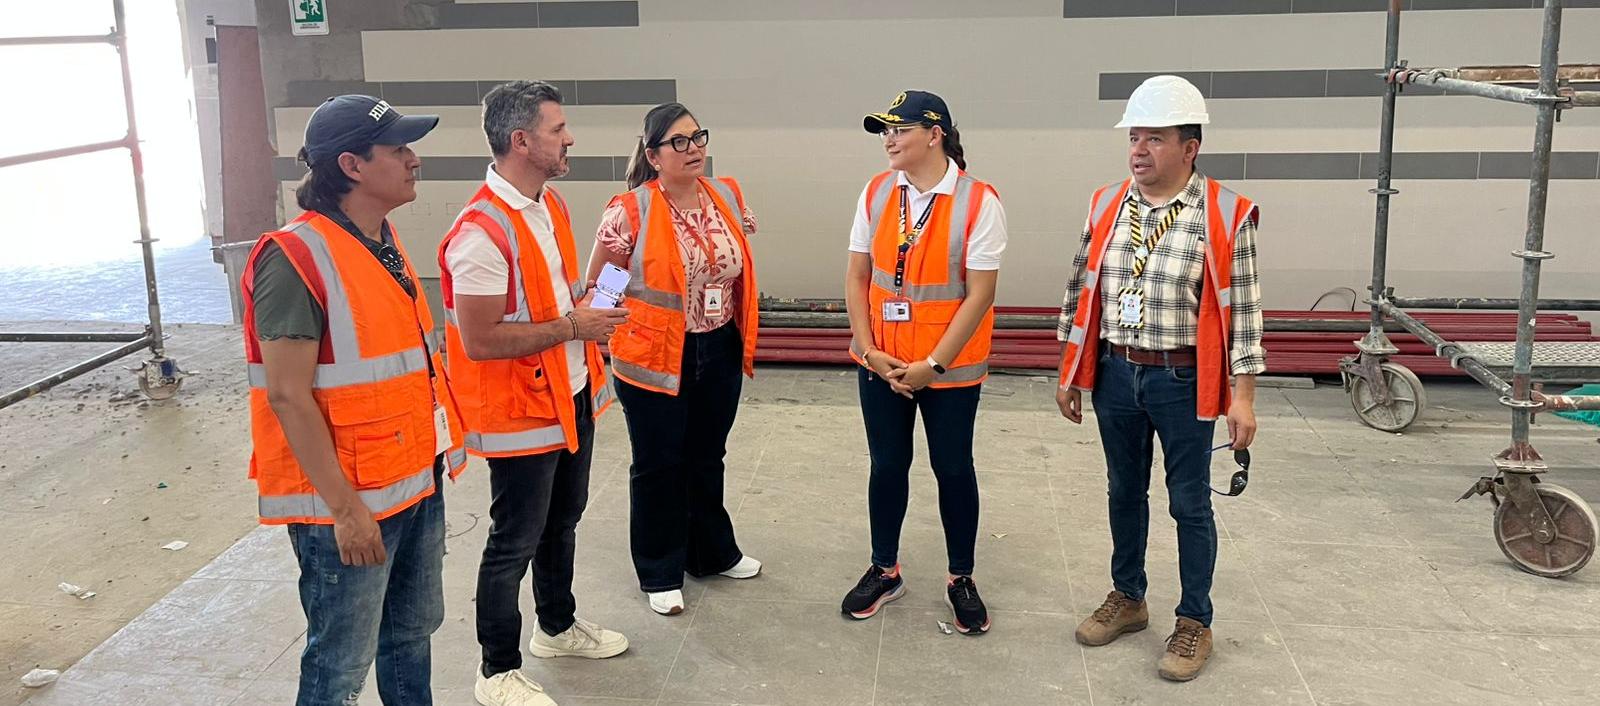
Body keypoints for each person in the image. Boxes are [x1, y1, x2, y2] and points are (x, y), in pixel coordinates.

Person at [241, 94, 467, 706]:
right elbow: (288, 395)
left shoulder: (381, 240)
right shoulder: (294, 257)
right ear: (352, 165)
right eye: (399, 150)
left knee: (410, 638)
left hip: (414, 482)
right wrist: (345, 509)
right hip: (348, 503)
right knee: (340, 664)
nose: (414, 161)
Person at [1055, 75, 1264, 682]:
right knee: (1124, 492)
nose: (1138, 150)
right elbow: (1079, 294)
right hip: (1117, 374)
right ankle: (1130, 597)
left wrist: (1243, 398)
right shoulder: (1105, 204)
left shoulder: (1225, 213)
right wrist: (1071, 371)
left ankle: (1195, 619)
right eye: (1134, 137)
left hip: (1182, 380)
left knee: (1190, 504)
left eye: (1154, 138)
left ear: (1189, 147)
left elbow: (1245, 313)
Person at [437, 81, 632, 706]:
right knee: (513, 540)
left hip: (566, 395)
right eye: (558, 129)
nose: (569, 137)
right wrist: (576, 326)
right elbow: (481, 340)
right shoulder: (478, 233)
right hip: (519, 413)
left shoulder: (548, 206)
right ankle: (495, 670)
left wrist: (595, 305)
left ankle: (556, 625)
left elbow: (553, 300)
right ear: (521, 140)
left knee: (562, 523)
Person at [586, 102, 762, 617]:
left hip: (719, 347)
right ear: (653, 155)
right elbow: (606, 281)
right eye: (678, 142)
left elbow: (730, 267)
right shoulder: (631, 208)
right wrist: (600, 329)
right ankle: (660, 569)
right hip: (653, 354)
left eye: (698, 137)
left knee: (708, 455)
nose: (694, 149)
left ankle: (711, 553)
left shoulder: (725, 193)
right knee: (660, 463)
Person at [840, 90, 1006, 635]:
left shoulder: (979, 202)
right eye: (883, 130)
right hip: (882, 363)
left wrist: (932, 365)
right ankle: (884, 569)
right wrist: (868, 352)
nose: (888, 139)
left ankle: (961, 577)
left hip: (948, 373)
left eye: (899, 129)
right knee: (886, 466)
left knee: (953, 469)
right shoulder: (875, 192)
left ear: (934, 134)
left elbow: (979, 294)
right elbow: (858, 278)